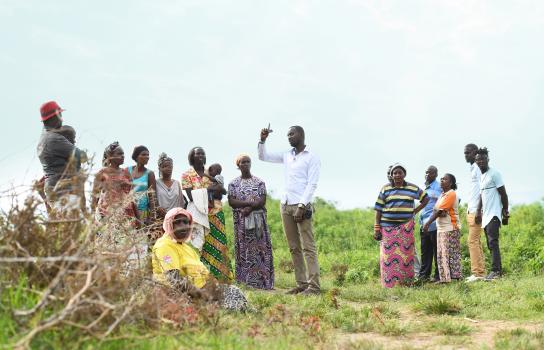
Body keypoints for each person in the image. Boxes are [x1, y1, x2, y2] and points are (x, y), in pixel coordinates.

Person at [258, 125, 321, 295]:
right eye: (287, 135)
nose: (289, 137)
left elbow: (312, 184)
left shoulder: (312, 157)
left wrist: (302, 206)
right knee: (294, 247)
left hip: (302, 205)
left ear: (301, 135)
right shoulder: (287, 155)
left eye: (292, 134)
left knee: (308, 247)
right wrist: (263, 140)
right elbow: (263, 157)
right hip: (285, 205)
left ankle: (314, 286)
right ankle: (301, 284)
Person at [151, 207, 250, 311]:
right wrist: (203, 294)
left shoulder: (185, 247)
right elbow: (174, 280)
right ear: (169, 224)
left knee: (234, 292)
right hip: (180, 295)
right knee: (231, 302)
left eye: (186, 222)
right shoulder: (165, 245)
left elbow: (202, 272)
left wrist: (213, 287)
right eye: (177, 222)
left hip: (201, 290)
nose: (183, 227)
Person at [181, 147, 233, 282]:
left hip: (215, 212)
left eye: (203, 153)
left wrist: (210, 190)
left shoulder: (211, 172)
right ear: (192, 157)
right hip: (198, 214)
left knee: (219, 244)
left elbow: (221, 191)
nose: (201, 155)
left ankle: (222, 277)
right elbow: (190, 196)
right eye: (198, 153)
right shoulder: (187, 175)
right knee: (199, 245)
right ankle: (201, 278)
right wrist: (209, 189)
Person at [374, 163, 429, 288]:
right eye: (395, 173)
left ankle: (406, 283)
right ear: (391, 175)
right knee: (388, 257)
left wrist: (415, 211)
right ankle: (389, 284)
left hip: (405, 228)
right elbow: (378, 209)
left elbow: (426, 198)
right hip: (387, 228)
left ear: (404, 174)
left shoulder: (412, 188)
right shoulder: (385, 189)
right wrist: (377, 228)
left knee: (406, 256)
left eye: (400, 172)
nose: (397, 175)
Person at [228, 154, 274, 290]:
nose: (246, 164)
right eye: (243, 162)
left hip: (258, 221)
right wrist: (248, 203)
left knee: (260, 249)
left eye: (248, 161)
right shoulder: (233, 184)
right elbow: (232, 201)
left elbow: (262, 200)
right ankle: (245, 281)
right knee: (244, 249)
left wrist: (249, 208)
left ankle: (263, 281)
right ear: (238, 165)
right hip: (241, 223)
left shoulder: (259, 182)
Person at [36, 101, 83, 205]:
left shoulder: (44, 136)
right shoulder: (54, 139)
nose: (62, 118)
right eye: (60, 114)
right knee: (71, 220)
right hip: (63, 191)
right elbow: (81, 156)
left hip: (54, 190)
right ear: (54, 117)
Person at [475, 147, 509, 281]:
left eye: (483, 159)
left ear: (488, 159)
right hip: (486, 215)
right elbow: (481, 195)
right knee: (490, 244)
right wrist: (478, 211)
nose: (480, 161)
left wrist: (505, 211)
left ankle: (496, 271)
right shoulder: (482, 176)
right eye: (478, 159)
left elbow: (503, 193)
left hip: (494, 214)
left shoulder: (495, 173)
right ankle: (496, 270)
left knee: (493, 242)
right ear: (476, 162)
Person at [423, 173, 462, 283]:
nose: (441, 181)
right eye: (441, 179)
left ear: (451, 183)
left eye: (444, 179)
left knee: (449, 253)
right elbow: (437, 210)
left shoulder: (451, 194)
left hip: (450, 227)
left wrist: (427, 223)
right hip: (441, 228)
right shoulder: (442, 195)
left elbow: (440, 211)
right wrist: (440, 211)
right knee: (442, 253)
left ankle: (450, 278)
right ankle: (448, 277)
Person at [91, 142, 140, 226]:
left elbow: (132, 197)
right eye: (119, 154)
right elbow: (94, 197)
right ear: (110, 156)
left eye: (123, 154)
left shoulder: (127, 173)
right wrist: (92, 218)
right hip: (107, 214)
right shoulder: (102, 173)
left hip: (127, 215)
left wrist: (138, 218)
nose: (123, 156)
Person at [463, 143, 486, 282]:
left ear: (475, 152)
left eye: (468, 152)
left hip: (476, 211)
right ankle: (480, 271)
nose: (466, 155)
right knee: (476, 241)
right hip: (471, 210)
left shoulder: (478, 169)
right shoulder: (473, 168)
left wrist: (478, 211)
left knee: (472, 241)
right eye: (465, 153)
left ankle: (477, 273)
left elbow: (483, 190)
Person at [418, 166, 441, 282]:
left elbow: (454, 198)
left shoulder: (439, 186)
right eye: (426, 172)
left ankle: (438, 276)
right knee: (425, 251)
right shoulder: (425, 187)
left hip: (434, 224)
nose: (427, 175)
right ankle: (424, 276)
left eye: (430, 173)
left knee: (437, 251)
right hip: (423, 224)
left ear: (436, 174)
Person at [127, 146, 157, 223]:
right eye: (143, 154)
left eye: (148, 155)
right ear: (136, 156)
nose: (147, 157)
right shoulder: (127, 170)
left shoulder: (150, 174)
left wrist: (152, 216)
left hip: (143, 211)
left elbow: (152, 197)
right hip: (128, 210)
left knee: (141, 232)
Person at [156, 153, 185, 218]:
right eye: (165, 166)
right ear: (159, 168)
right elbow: (153, 201)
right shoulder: (156, 183)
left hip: (175, 219)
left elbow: (181, 203)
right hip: (160, 218)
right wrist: (158, 209)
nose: (168, 168)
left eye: (170, 166)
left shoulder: (177, 183)